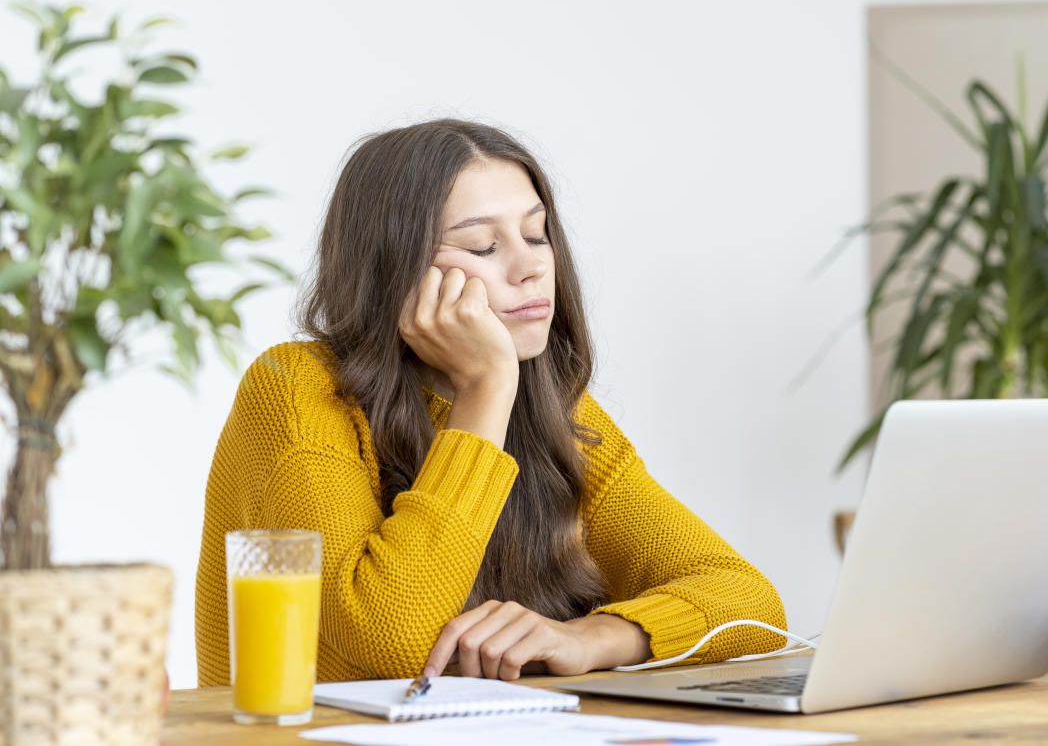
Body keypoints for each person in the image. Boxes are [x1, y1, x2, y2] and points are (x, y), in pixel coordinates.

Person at [194, 119, 786, 686]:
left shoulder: (559, 415)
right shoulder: (297, 388)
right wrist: (486, 387)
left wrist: (589, 639)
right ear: (392, 271)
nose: (531, 267)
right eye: (482, 246)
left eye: (536, 234)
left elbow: (751, 604)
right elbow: (390, 635)